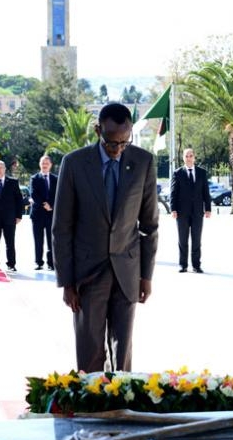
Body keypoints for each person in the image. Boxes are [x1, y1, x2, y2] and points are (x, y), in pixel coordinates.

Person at [52, 103, 159, 372]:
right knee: (90, 352)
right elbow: (62, 227)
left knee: (122, 354)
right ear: (98, 131)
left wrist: (146, 276)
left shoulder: (143, 162)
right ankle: (91, 397)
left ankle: (120, 398)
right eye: (112, 142)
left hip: (127, 273)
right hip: (87, 274)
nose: (118, 148)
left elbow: (149, 225)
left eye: (125, 141)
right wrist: (66, 281)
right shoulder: (74, 164)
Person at [170, 148, 212, 273]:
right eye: (186, 156)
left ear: (194, 157)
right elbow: (173, 193)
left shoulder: (202, 173)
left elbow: (206, 192)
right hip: (181, 212)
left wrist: (208, 208)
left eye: (191, 156)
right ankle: (183, 265)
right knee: (182, 239)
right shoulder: (177, 173)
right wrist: (173, 209)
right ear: (183, 158)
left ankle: (196, 265)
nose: (189, 158)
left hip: (197, 212)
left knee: (196, 240)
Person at [29, 155, 57, 271]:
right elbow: (33, 194)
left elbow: (59, 194)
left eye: (47, 163)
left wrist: (51, 206)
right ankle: (38, 262)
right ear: (39, 164)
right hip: (38, 214)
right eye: (42, 163)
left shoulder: (56, 179)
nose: (44, 165)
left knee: (51, 240)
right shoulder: (34, 178)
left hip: (51, 214)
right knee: (38, 239)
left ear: (50, 165)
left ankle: (51, 263)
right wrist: (44, 204)